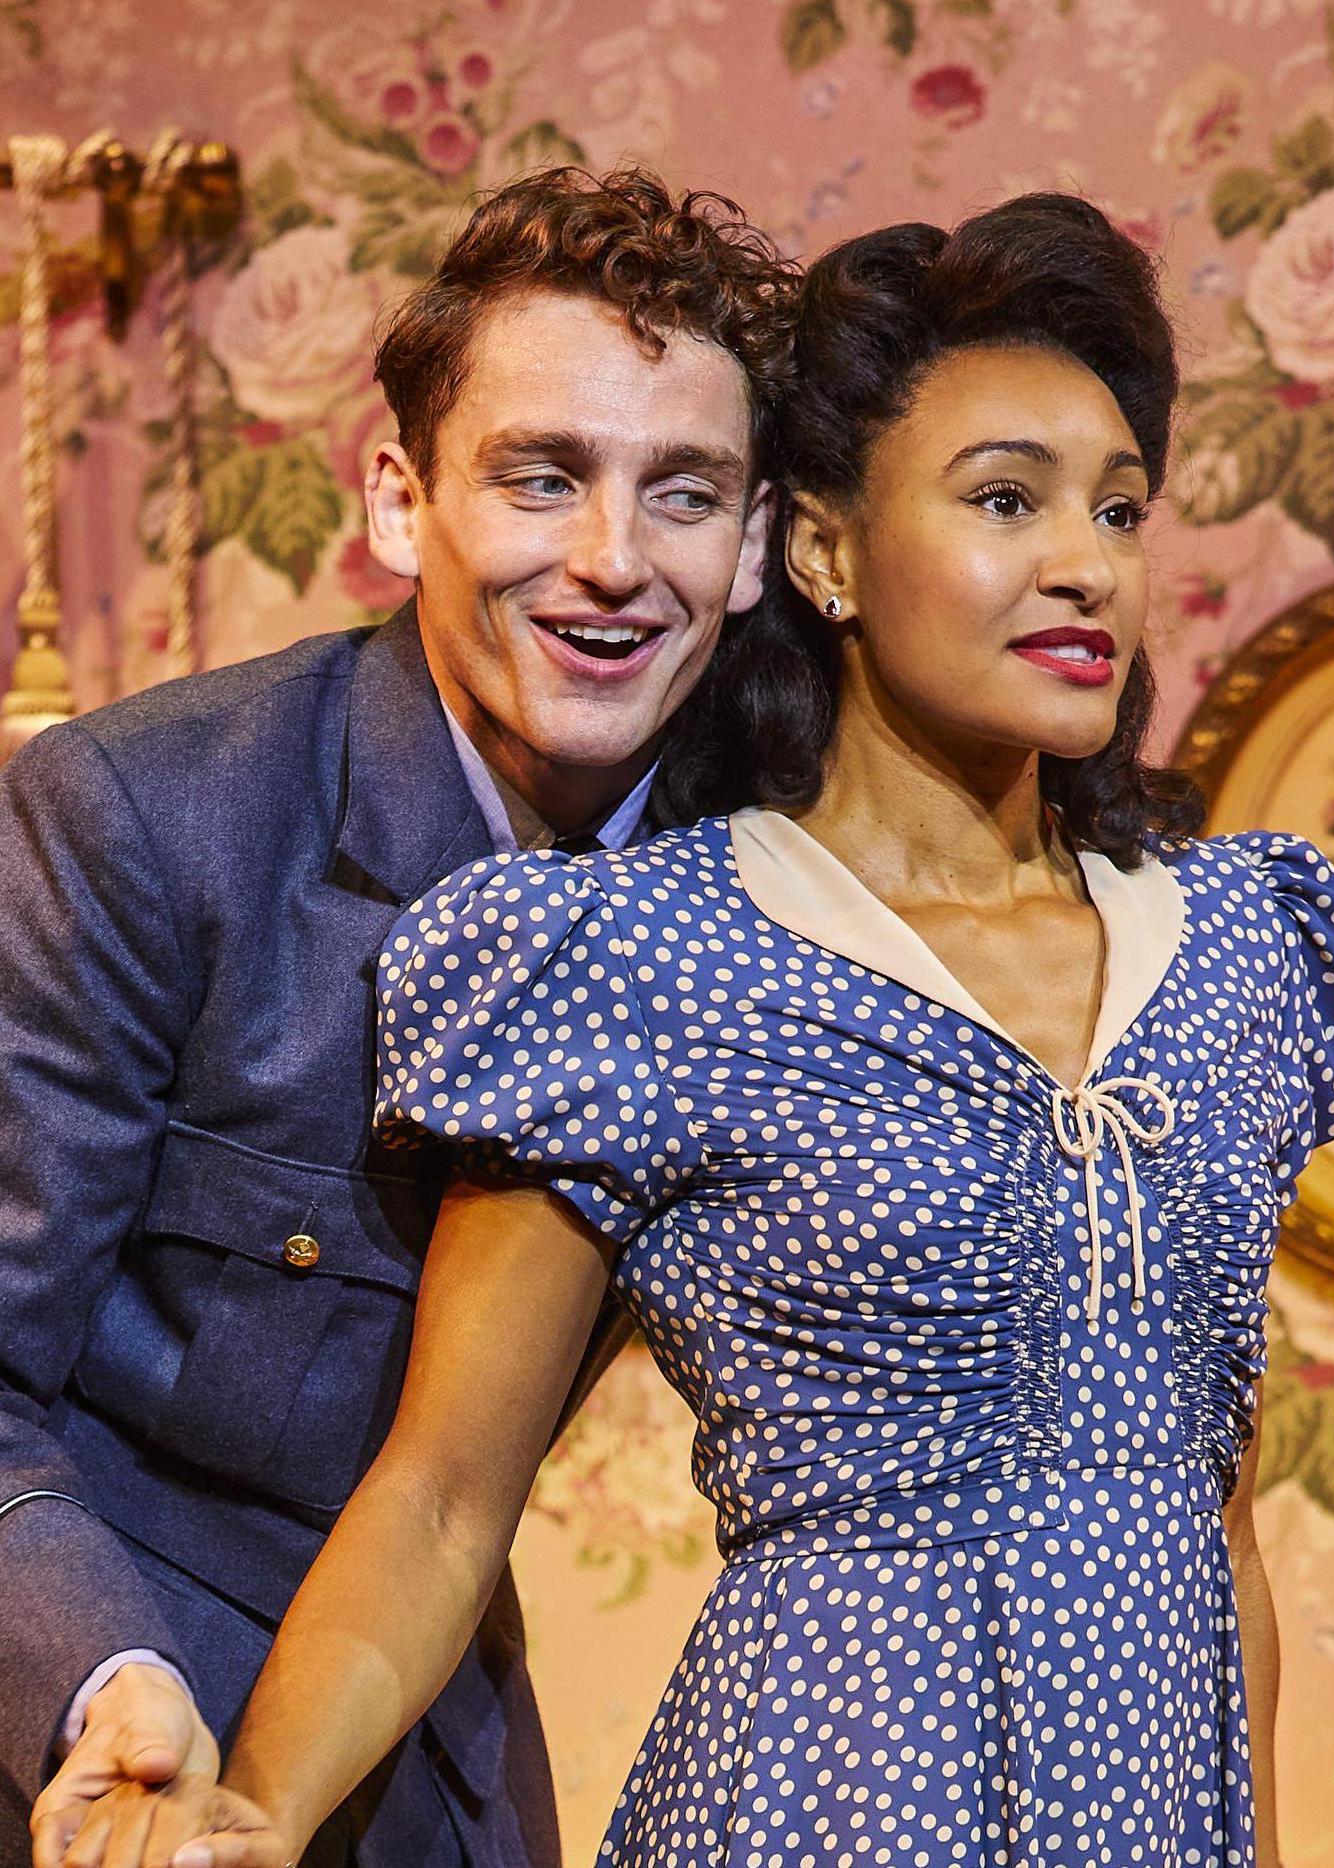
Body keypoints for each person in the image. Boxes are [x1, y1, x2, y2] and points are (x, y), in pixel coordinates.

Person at [72, 195, 1334, 1868]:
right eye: (1005, 499)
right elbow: (443, 1499)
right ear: (817, 552)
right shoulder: (643, 955)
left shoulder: (1240, 948)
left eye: (1118, 509)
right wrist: (254, 1813)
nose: (1085, 563)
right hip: (817, 1799)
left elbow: (1221, 1527)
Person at [3, 165, 793, 1868]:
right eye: (539, 476)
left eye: (683, 494)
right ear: (396, 499)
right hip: (106, 1744)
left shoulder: (777, 877)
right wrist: (107, 1687)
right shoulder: (143, 817)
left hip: (443, 1759)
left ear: (752, 546)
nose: (611, 562)